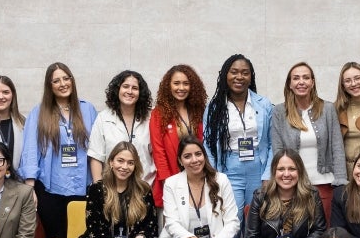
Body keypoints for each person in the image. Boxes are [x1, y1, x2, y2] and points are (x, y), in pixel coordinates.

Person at [20, 62, 98, 238]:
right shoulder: (38, 112)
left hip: (82, 187)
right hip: (49, 190)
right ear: (50, 86)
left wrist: (98, 184)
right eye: (56, 81)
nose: (62, 84)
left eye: (66, 78)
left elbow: (97, 150)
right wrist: (30, 188)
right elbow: (30, 150)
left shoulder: (87, 109)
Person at [157, 137, 240, 238]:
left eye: (198, 154)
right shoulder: (171, 184)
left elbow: (233, 222)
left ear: (204, 156)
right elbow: (171, 224)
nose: (194, 160)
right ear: (180, 161)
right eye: (187, 156)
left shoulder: (220, 180)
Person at [75, 142, 158, 238]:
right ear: (111, 162)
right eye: (120, 161)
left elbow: (151, 224)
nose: (124, 166)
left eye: (130, 163)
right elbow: (95, 228)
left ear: (135, 166)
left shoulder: (144, 190)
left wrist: (140, 237)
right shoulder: (97, 189)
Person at [270, 62, 346, 220]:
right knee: (297, 235)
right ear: (290, 84)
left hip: (324, 184)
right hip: (293, 186)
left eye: (306, 77)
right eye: (296, 78)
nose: (301, 82)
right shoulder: (279, 112)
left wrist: (340, 182)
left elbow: (337, 147)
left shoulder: (327, 109)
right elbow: (277, 150)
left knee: (325, 234)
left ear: (312, 82)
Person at [203, 54, 274, 211]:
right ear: (225, 75)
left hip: (258, 169)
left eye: (245, 72)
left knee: (256, 216)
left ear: (251, 76)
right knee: (233, 217)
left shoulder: (264, 104)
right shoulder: (214, 108)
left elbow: (272, 143)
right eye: (234, 72)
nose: (239, 77)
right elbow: (207, 144)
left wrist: (268, 175)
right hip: (229, 168)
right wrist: (214, 174)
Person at [148, 64, 207, 208]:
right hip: (171, 180)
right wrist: (169, 184)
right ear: (168, 86)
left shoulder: (199, 111)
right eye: (176, 83)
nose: (181, 88)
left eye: (186, 83)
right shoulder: (158, 114)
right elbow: (159, 152)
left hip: (198, 178)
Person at [88, 70, 155, 186]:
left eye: (135, 88)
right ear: (117, 90)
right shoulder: (103, 118)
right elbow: (96, 157)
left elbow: (157, 156)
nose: (129, 91)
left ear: (140, 93)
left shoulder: (151, 119)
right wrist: (99, 190)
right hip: (111, 190)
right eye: (125, 86)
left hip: (144, 188)